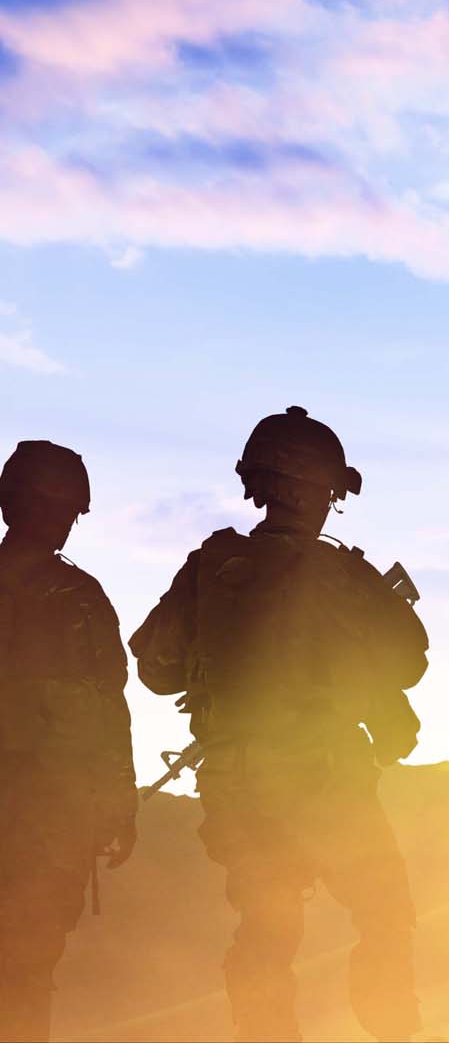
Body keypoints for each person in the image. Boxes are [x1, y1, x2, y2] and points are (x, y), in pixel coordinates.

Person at [129, 406, 428, 1042]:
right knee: (384, 913)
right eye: (328, 495)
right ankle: (394, 1031)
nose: (328, 508)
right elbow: (409, 663)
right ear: (306, 491)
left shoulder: (211, 567)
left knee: (267, 929)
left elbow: (155, 670)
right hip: (328, 782)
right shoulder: (345, 574)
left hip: (238, 784)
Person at [0, 441, 136, 1043]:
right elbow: (108, 708)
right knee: (28, 970)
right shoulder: (80, 598)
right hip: (48, 817)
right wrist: (119, 806)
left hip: (49, 812)